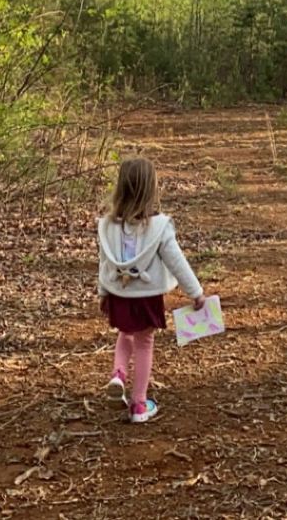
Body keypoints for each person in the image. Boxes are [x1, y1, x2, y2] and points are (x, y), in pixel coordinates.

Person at [96, 155, 206, 424]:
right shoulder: (159, 227)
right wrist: (196, 292)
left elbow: (104, 262)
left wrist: (103, 293)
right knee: (144, 343)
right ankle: (139, 405)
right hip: (147, 296)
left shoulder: (108, 225)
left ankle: (118, 374)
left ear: (120, 188)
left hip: (119, 293)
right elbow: (176, 261)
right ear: (151, 190)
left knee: (125, 335)